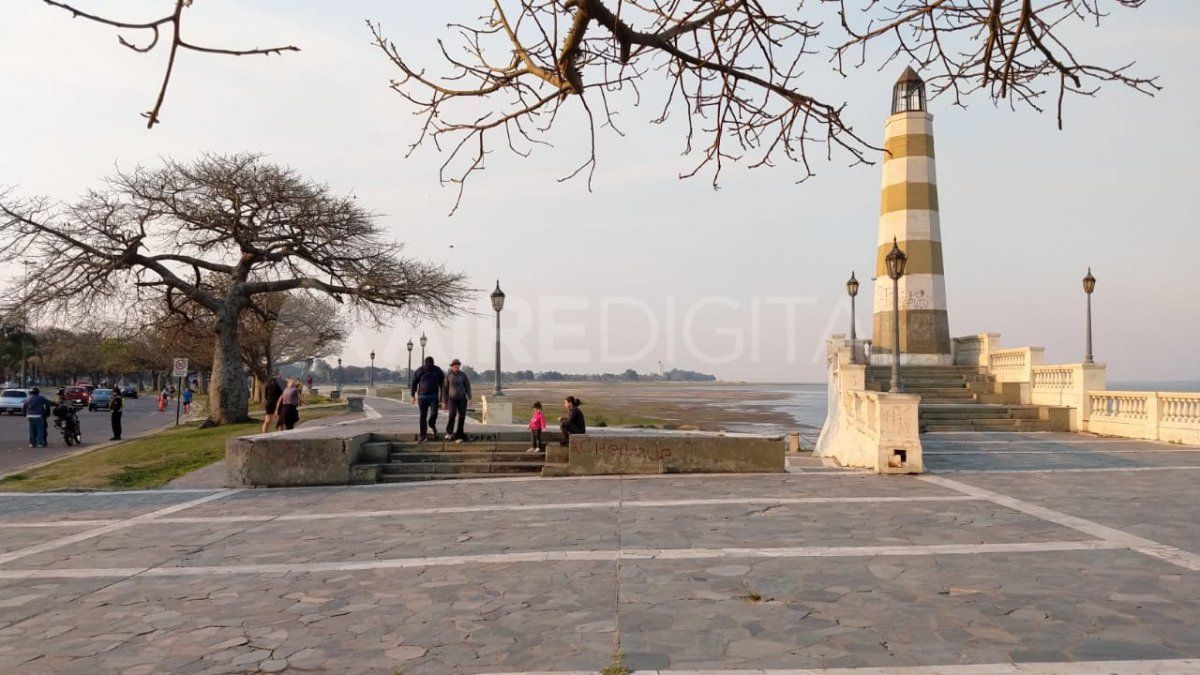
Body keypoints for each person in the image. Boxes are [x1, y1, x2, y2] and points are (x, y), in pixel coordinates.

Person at [409, 356, 445, 442]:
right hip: (422, 396)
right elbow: (414, 383)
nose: (429, 366)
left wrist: (442, 398)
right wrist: (412, 395)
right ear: (425, 363)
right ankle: (423, 435)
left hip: (434, 396)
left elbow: (442, 385)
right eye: (427, 364)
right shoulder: (420, 370)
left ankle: (431, 424)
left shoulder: (437, 370)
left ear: (433, 363)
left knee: (434, 414)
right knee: (422, 416)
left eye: (430, 364)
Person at [442, 358, 472, 442]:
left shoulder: (463, 375)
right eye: (455, 367)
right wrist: (444, 401)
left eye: (458, 366)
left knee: (462, 416)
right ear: (452, 367)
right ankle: (449, 432)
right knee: (452, 414)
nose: (456, 368)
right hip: (452, 399)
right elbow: (444, 389)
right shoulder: (448, 376)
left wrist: (470, 397)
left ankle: (459, 434)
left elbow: (467, 387)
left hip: (462, 399)